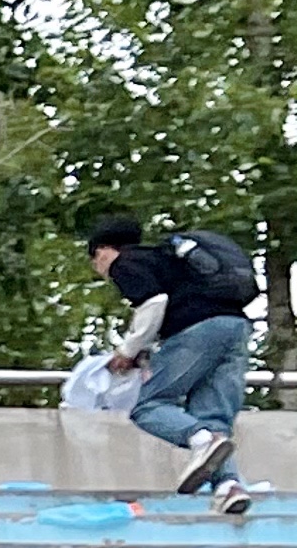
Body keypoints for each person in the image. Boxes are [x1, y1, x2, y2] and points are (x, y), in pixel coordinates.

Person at [85, 211, 256, 507]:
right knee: (213, 416)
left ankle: (202, 440)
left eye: (95, 261)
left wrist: (127, 351)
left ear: (102, 251)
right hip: (235, 327)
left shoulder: (125, 262)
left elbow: (153, 302)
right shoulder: (166, 259)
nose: (99, 269)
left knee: (148, 405)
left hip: (198, 329)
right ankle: (229, 487)